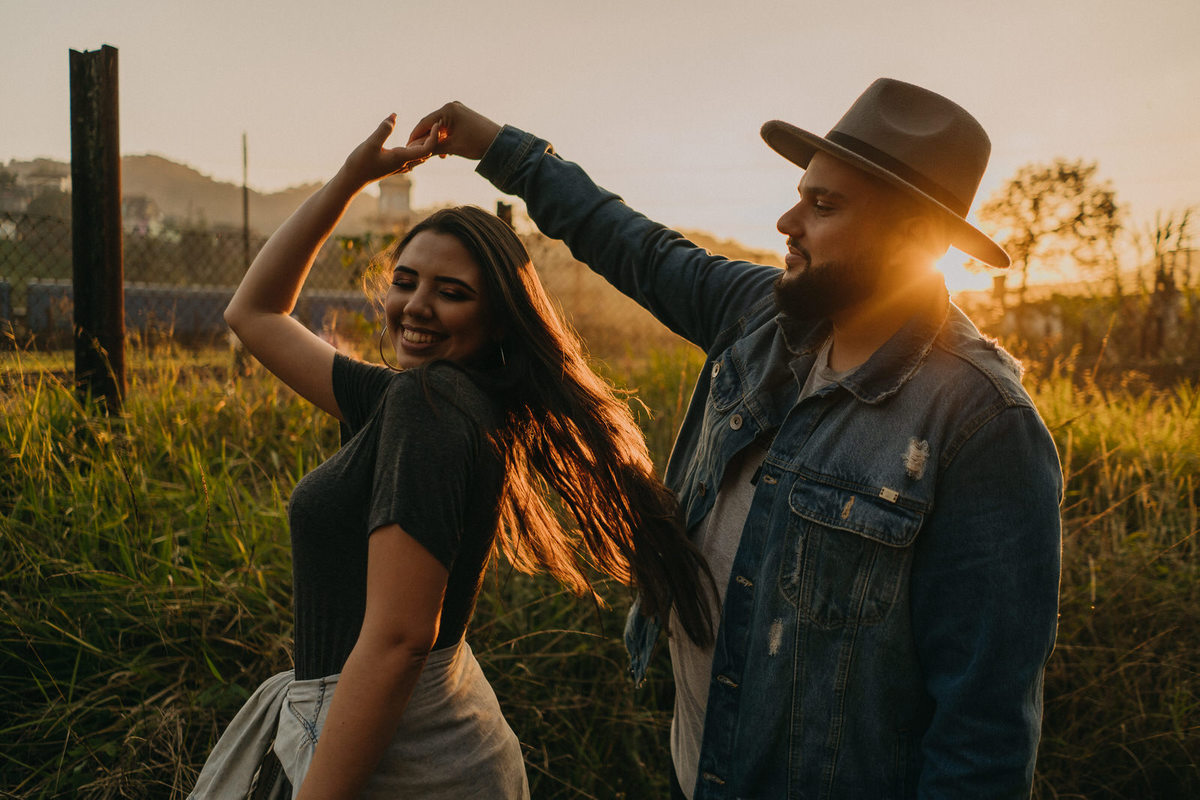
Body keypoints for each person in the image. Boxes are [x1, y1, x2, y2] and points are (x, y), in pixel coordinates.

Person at [406, 78, 1064, 798]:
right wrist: (497, 147)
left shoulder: (981, 423)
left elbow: (983, 733)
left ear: (912, 237)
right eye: (801, 196)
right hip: (699, 772)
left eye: (824, 206)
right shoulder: (759, 315)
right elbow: (631, 242)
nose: (788, 221)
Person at [188, 114, 715, 799]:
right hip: (412, 729)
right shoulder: (416, 398)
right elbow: (255, 314)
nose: (416, 307)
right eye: (405, 281)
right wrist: (352, 178)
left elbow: (401, 639)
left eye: (452, 292)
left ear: (497, 320)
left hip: (390, 749)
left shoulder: (430, 405)